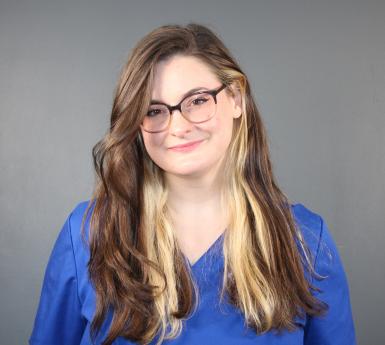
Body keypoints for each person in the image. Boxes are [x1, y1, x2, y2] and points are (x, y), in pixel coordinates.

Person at [29, 23, 357, 345]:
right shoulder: (88, 234)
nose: (178, 126)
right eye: (154, 110)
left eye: (197, 101)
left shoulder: (305, 242)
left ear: (236, 99)